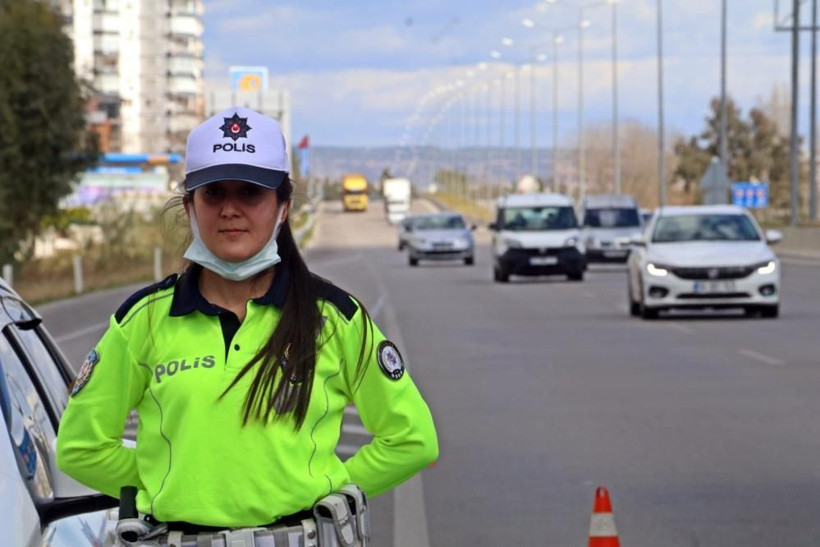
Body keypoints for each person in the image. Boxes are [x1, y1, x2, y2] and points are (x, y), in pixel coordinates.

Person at [56, 107, 438, 544]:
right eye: (214, 193)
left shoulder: (334, 318)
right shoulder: (142, 321)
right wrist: (170, 480)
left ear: (283, 206)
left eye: (250, 192)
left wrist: (328, 487)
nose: (230, 210)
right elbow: (80, 448)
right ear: (190, 206)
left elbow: (413, 438)